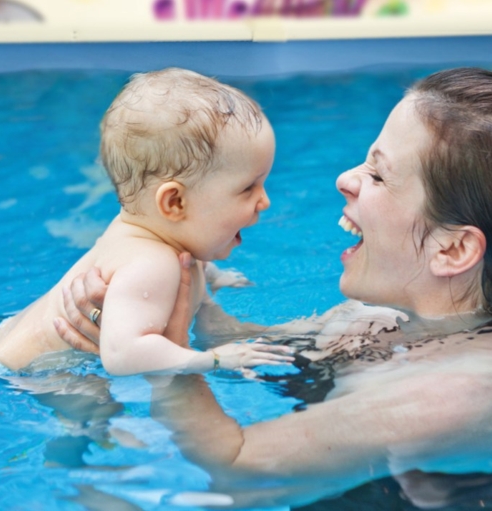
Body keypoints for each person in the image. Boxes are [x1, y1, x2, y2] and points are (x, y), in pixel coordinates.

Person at [54, 67, 492, 507]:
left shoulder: (446, 393)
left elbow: (239, 471)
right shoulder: (382, 315)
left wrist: (165, 356)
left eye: (378, 176)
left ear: (453, 250)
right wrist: (191, 301)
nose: (344, 178)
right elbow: (252, 350)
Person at [0, 67, 294, 375]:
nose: (265, 201)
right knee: (96, 412)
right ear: (174, 203)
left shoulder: (153, 233)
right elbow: (122, 357)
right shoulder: (152, 265)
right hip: (31, 374)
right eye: (247, 188)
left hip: (0, 343)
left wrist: (211, 275)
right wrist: (215, 359)